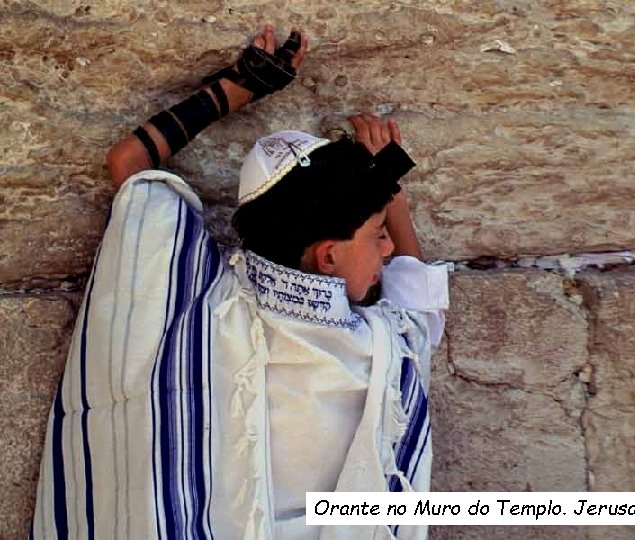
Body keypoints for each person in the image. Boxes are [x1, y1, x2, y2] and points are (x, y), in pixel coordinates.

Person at [31, 24, 448, 540]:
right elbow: (418, 306)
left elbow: (129, 165)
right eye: (380, 235)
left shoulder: (193, 303)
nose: (388, 249)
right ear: (329, 256)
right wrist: (392, 193)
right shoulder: (382, 348)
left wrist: (234, 91)